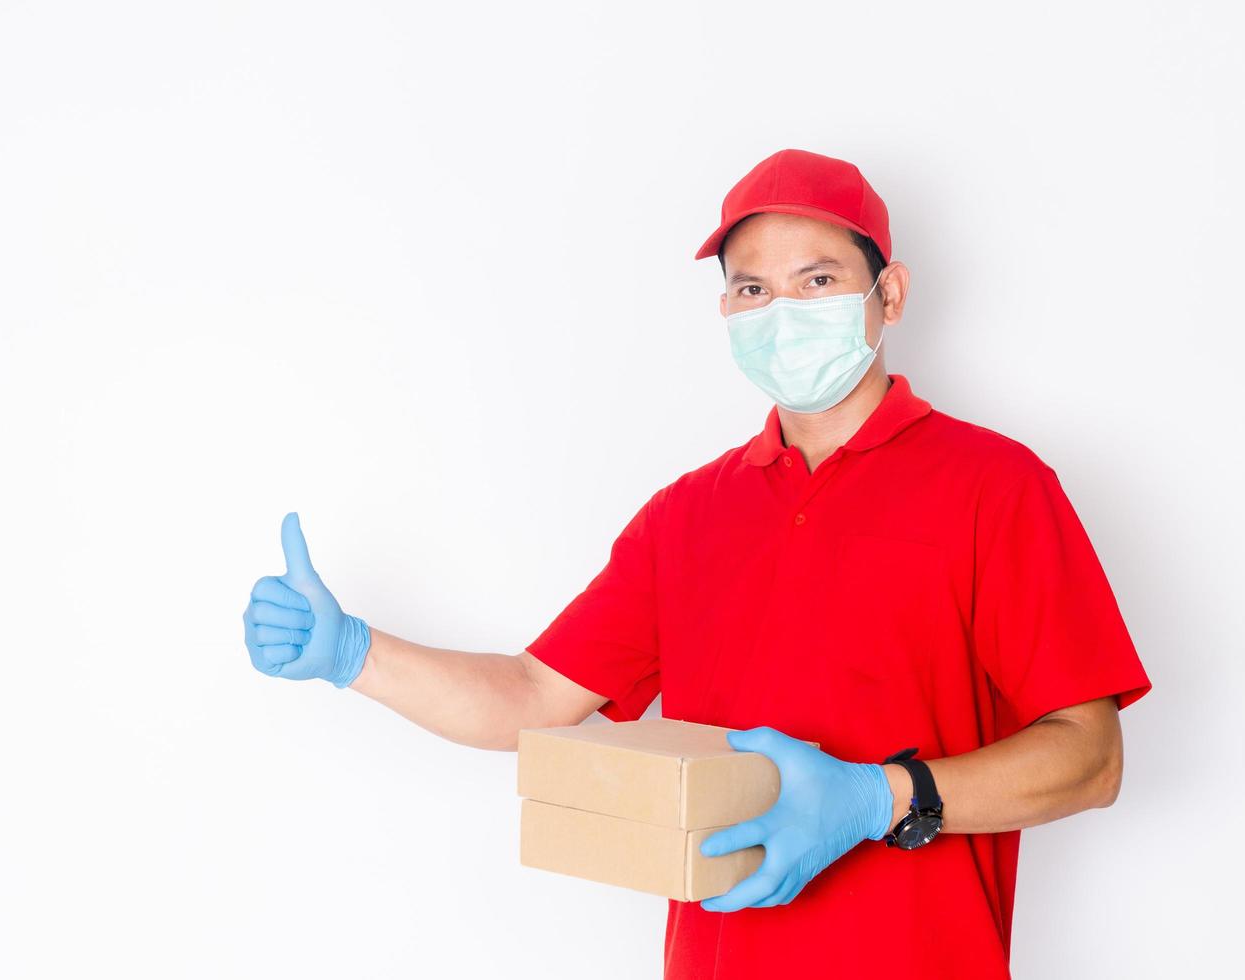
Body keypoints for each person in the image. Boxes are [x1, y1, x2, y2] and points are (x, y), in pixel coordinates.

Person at [241, 148, 1153, 980]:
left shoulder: (994, 488)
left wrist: (881, 798)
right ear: (726, 311)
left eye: (819, 279)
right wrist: (355, 654)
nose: (782, 312)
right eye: (752, 290)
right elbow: (532, 696)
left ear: (892, 293)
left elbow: (1090, 756)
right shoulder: (690, 515)